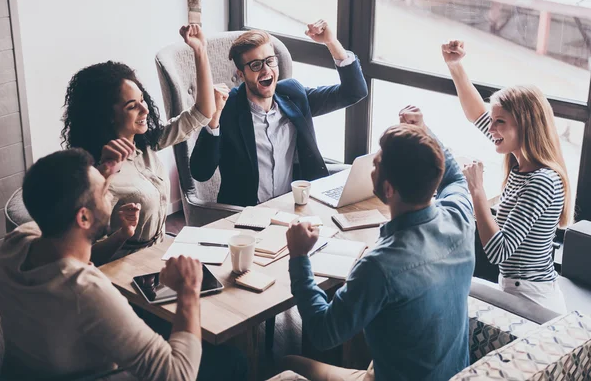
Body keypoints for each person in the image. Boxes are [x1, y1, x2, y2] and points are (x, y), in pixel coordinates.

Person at [0, 148, 247, 381]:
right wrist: (188, 292)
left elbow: (70, 248)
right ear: (83, 216)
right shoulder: (86, 291)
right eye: (105, 192)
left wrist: (117, 230)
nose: (110, 191)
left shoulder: (16, 243)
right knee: (233, 361)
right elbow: (177, 375)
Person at [280, 107, 476, 381]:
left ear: (388, 189)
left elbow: (324, 333)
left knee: (287, 363)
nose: (374, 165)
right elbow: (454, 177)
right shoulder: (460, 217)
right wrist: (424, 132)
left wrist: (299, 256)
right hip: (454, 375)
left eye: (377, 162)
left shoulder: (380, 265)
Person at [60, 24, 216, 262]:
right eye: (131, 106)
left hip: (158, 257)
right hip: (122, 268)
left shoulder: (147, 144)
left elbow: (202, 112)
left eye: (142, 99)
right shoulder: (93, 175)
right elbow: (85, 256)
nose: (145, 109)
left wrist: (200, 50)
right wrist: (123, 234)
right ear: (107, 116)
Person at [443, 40, 572, 313]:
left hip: (533, 300)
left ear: (525, 126)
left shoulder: (542, 181)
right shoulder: (519, 161)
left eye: (499, 122)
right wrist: (455, 66)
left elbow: (498, 252)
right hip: (514, 288)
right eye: (492, 120)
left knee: (449, 286)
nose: (491, 128)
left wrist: (476, 191)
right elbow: (475, 113)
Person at [190, 19, 368, 206]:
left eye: (270, 61)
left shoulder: (294, 95)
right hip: (246, 216)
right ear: (241, 74)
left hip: (295, 208)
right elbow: (201, 172)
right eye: (256, 65)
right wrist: (214, 119)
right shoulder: (227, 108)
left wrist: (331, 43)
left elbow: (354, 91)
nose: (266, 69)